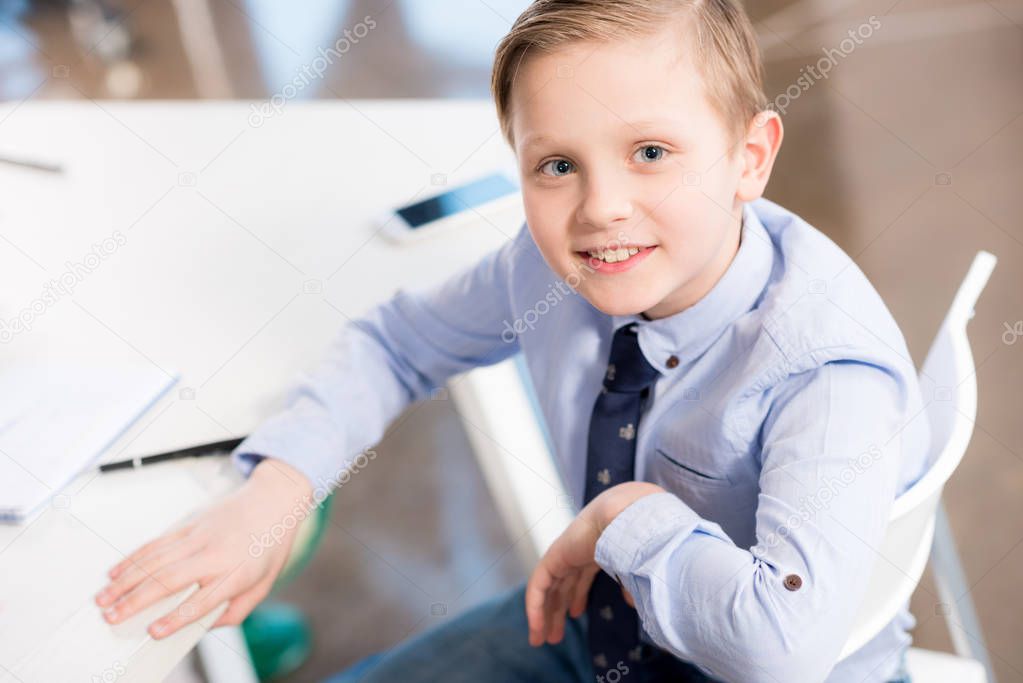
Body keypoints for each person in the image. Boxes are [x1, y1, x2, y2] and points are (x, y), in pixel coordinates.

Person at [94, 1, 929, 681]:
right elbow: (395, 343)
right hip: (608, 622)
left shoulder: (823, 372)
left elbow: (777, 648)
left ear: (749, 158)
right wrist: (279, 489)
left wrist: (624, 513)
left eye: (649, 152)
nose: (600, 206)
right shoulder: (549, 270)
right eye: (555, 165)